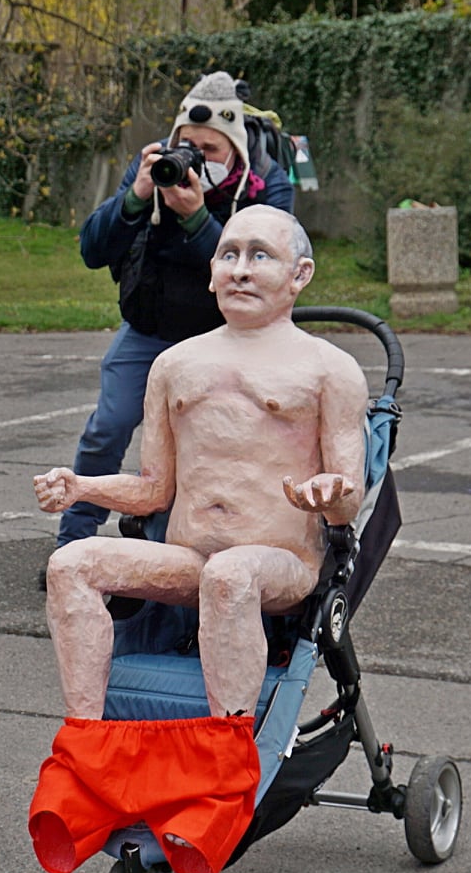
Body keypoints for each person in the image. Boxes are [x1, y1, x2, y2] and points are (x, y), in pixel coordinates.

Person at [28, 204, 368, 873]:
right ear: (210, 271)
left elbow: (350, 495)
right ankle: (88, 755)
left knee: (232, 576)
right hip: (190, 556)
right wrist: (83, 486)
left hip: (280, 563)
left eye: (260, 255)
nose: (240, 267)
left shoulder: (330, 369)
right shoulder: (174, 364)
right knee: (72, 564)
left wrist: (329, 493)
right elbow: (155, 490)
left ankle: (222, 766)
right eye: (229, 253)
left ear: (300, 275)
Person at [48, 71, 296, 573]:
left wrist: (198, 220)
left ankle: (198, 551)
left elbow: (263, 273)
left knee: (217, 448)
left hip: (228, 340)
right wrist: (135, 197)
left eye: (210, 148)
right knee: (108, 429)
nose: (196, 157)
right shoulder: (154, 169)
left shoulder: (266, 184)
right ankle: (72, 543)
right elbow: (94, 250)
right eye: (189, 145)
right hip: (149, 329)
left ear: (235, 148)